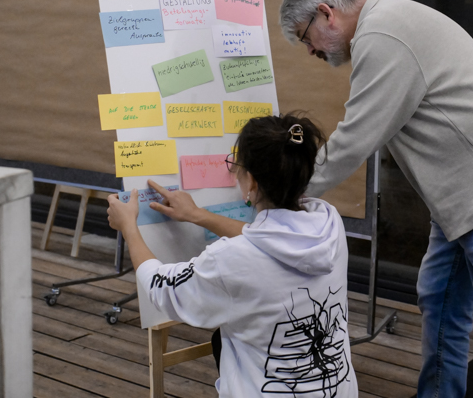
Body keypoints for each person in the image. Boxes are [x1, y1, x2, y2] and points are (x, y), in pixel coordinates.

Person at [279, 0, 473, 397]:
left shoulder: (383, 38)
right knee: (440, 299)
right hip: (470, 196)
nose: (310, 51)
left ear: (327, 13)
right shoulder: (391, 21)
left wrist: (286, 193)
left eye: (306, 38)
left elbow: (354, 139)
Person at [107, 114, 358, 398]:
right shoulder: (329, 223)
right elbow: (267, 240)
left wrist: (129, 227)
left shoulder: (231, 259)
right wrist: (198, 215)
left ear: (250, 181)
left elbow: (161, 287)